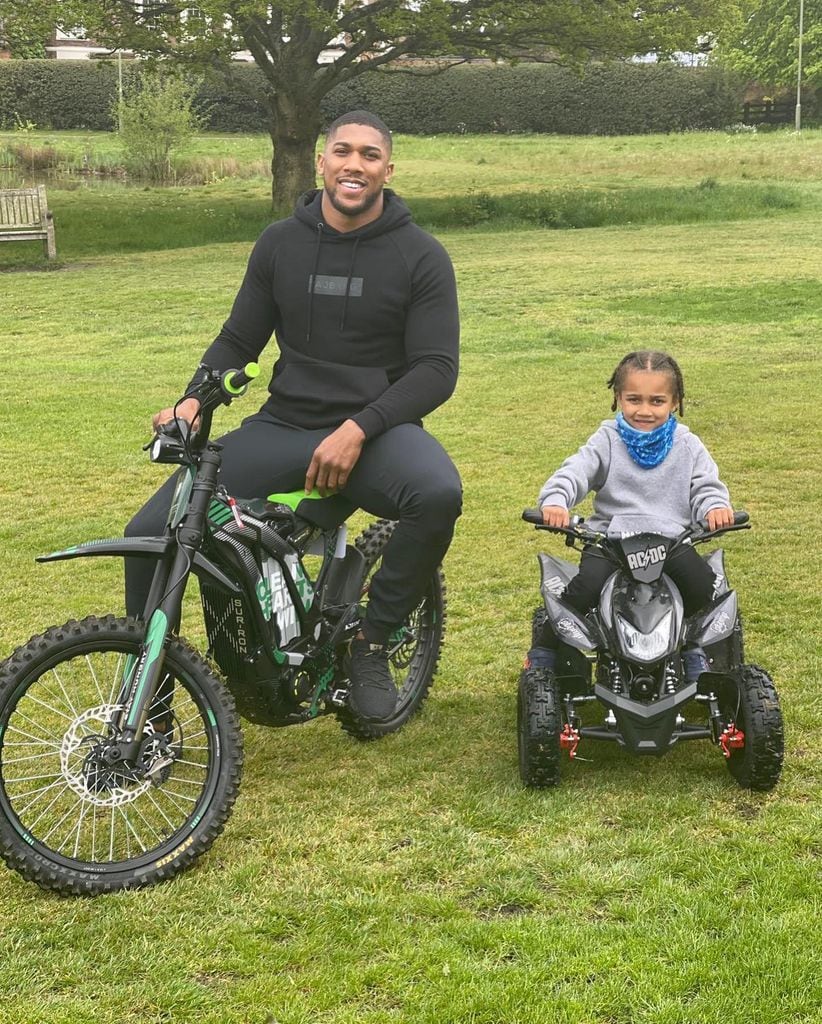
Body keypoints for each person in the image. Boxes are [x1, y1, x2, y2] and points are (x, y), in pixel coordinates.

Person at [125, 110, 462, 722]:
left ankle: (371, 643)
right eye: (342, 151)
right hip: (284, 425)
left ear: (388, 167)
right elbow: (238, 341)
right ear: (321, 161)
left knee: (437, 493)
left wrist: (359, 429)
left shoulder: (421, 255)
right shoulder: (280, 243)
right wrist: (195, 398)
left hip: (377, 431)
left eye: (368, 155)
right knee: (150, 535)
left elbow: (436, 370)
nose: (353, 165)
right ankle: (151, 717)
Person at [528, 350, 734, 676]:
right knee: (584, 589)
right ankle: (544, 648)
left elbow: (705, 485)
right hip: (611, 540)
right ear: (617, 398)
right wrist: (555, 501)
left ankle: (694, 650)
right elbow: (576, 472)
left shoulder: (687, 444)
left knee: (703, 589)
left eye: (657, 401)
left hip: (671, 540)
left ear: (675, 401)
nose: (644, 410)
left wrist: (715, 507)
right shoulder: (607, 440)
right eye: (634, 399)